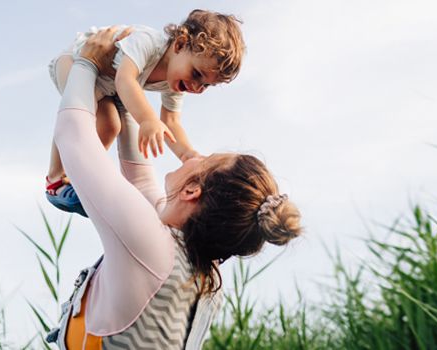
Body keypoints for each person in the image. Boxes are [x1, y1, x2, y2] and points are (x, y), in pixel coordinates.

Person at [45, 27, 301, 349]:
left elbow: (74, 137)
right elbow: (140, 180)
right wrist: (125, 99)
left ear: (193, 192)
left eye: (203, 160)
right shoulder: (200, 272)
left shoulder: (151, 248)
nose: (191, 156)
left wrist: (86, 64)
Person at [45, 9, 246, 216]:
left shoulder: (176, 82)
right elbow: (125, 80)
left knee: (111, 126)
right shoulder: (148, 42)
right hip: (76, 59)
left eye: (205, 85)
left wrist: (188, 154)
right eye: (196, 74)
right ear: (180, 44)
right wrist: (148, 120)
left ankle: (78, 178)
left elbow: (171, 121)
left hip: (103, 82)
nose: (196, 87)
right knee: (87, 118)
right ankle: (56, 178)